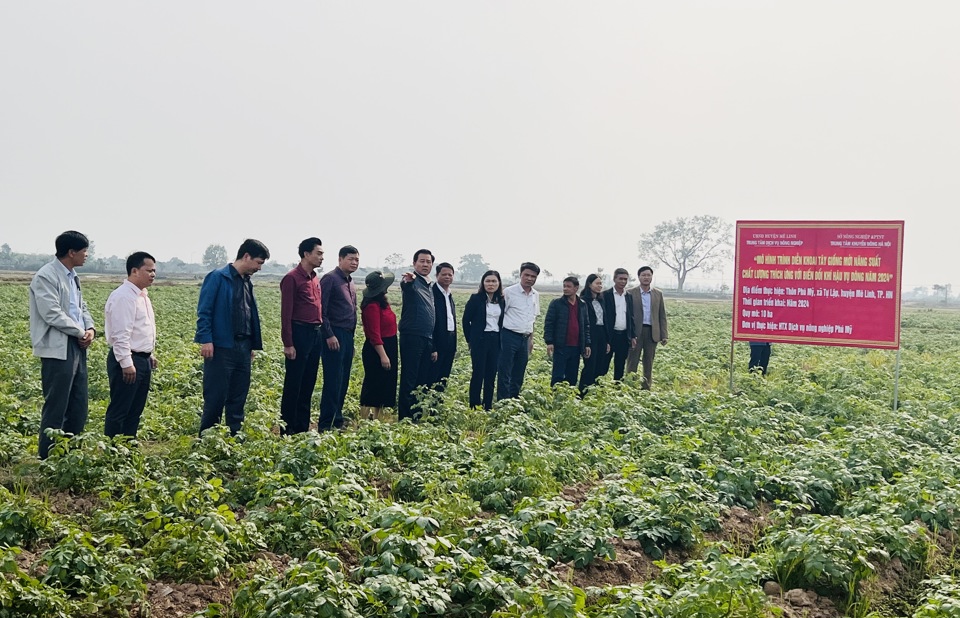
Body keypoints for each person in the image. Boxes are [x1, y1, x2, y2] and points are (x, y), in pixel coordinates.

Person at [29, 230, 96, 459]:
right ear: (71, 252)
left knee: (78, 404)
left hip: (77, 344)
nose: (87, 255)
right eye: (84, 251)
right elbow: (52, 313)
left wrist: (90, 329)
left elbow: (81, 307)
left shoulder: (72, 275)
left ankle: (70, 455)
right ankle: (47, 458)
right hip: (58, 346)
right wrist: (80, 331)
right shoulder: (46, 276)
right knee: (57, 405)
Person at [195, 238, 270, 435]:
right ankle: (208, 438)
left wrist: (251, 345)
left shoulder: (247, 282)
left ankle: (234, 437)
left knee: (238, 396)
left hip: (243, 347)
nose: (259, 268)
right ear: (246, 256)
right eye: (258, 263)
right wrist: (206, 339)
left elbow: (248, 313)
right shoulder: (218, 277)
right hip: (221, 346)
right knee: (216, 396)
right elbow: (205, 311)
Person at [103, 252, 158, 438]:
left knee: (135, 410)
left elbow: (138, 330)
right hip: (127, 360)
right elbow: (121, 334)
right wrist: (127, 363)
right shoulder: (124, 297)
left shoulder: (142, 296)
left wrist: (148, 354)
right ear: (134, 271)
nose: (153, 274)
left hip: (141, 359)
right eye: (148, 270)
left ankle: (128, 447)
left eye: (154, 271)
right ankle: (113, 452)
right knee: (120, 409)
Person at [278, 238, 324, 435]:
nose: (322, 257)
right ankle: (288, 430)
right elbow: (286, 314)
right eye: (319, 253)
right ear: (306, 254)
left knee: (308, 383)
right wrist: (288, 343)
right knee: (294, 384)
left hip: (315, 333)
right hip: (299, 333)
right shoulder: (291, 278)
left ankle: (302, 428)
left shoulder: (314, 278)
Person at [318, 245, 360, 430]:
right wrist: (329, 334)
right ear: (340, 259)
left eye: (357, 259)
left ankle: (338, 419)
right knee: (333, 380)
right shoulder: (330, 279)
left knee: (343, 380)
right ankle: (325, 424)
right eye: (350, 259)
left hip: (347, 335)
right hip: (334, 334)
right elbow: (322, 311)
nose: (354, 262)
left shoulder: (350, 282)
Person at [398, 249, 436, 421]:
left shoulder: (429, 285)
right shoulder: (412, 282)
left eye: (428, 262)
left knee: (421, 380)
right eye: (422, 261)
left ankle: (416, 416)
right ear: (414, 264)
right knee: (409, 378)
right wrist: (409, 280)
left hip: (426, 337)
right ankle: (405, 418)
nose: (425, 264)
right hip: (412, 336)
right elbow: (406, 285)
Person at [497, 262, 541, 399]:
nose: (529, 278)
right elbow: (500, 315)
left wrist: (531, 339)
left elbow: (532, 317)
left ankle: (514, 399)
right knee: (505, 370)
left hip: (525, 338)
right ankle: (503, 401)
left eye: (533, 276)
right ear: (520, 275)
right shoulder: (509, 292)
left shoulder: (535, 294)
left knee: (519, 370)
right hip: (509, 336)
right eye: (526, 275)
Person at [462, 270, 504, 410]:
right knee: (478, 372)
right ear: (483, 283)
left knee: (491, 374)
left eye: (494, 281)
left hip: (496, 339)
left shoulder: (502, 301)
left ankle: (488, 405)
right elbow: (465, 320)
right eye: (488, 281)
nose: (490, 284)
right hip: (480, 340)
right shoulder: (476, 298)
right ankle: (474, 405)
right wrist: (471, 340)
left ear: (498, 283)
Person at [359, 270, 398, 420]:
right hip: (378, 348)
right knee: (373, 384)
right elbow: (374, 334)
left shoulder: (382, 303)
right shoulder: (372, 306)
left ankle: (378, 419)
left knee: (384, 385)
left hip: (389, 344)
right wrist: (383, 355)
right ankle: (363, 418)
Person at [544, 276, 591, 386]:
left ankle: (569, 399)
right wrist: (549, 342)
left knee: (572, 375)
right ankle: (556, 398)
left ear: (576, 288)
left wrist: (587, 343)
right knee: (558, 375)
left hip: (576, 346)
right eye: (564, 286)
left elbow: (586, 326)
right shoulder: (556, 304)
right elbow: (549, 323)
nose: (565, 289)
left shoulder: (583, 305)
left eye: (568, 286)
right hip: (561, 345)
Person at [627, 266, 668, 390]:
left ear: (651, 277)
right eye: (643, 275)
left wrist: (664, 335)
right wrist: (629, 334)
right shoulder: (630, 293)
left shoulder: (658, 294)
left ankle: (646, 387)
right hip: (635, 332)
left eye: (648, 275)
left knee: (648, 361)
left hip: (652, 332)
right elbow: (627, 315)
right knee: (632, 361)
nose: (646, 277)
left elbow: (662, 315)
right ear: (639, 277)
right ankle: (630, 386)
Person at [600, 267, 636, 380]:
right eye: (620, 279)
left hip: (624, 336)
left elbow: (631, 317)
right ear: (614, 279)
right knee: (603, 364)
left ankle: (617, 389)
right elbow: (603, 318)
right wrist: (604, 338)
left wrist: (633, 335)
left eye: (625, 279)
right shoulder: (605, 295)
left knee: (620, 365)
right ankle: (599, 387)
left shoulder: (628, 296)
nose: (623, 282)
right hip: (610, 336)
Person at [578, 273, 610, 392]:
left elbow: (605, 321)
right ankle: (583, 391)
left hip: (601, 334)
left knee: (600, 365)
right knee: (590, 365)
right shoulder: (583, 301)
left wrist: (607, 341)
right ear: (589, 284)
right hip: (590, 334)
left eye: (601, 283)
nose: (600, 286)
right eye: (597, 283)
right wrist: (586, 341)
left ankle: (595, 391)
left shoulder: (601, 300)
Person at [431, 262, 457, 391]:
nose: (447, 277)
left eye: (450, 274)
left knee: (444, 375)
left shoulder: (449, 294)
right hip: (437, 339)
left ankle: (437, 406)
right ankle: (429, 406)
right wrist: (433, 346)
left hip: (450, 339)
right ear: (437, 275)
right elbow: (430, 322)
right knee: (433, 374)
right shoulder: (432, 293)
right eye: (444, 274)